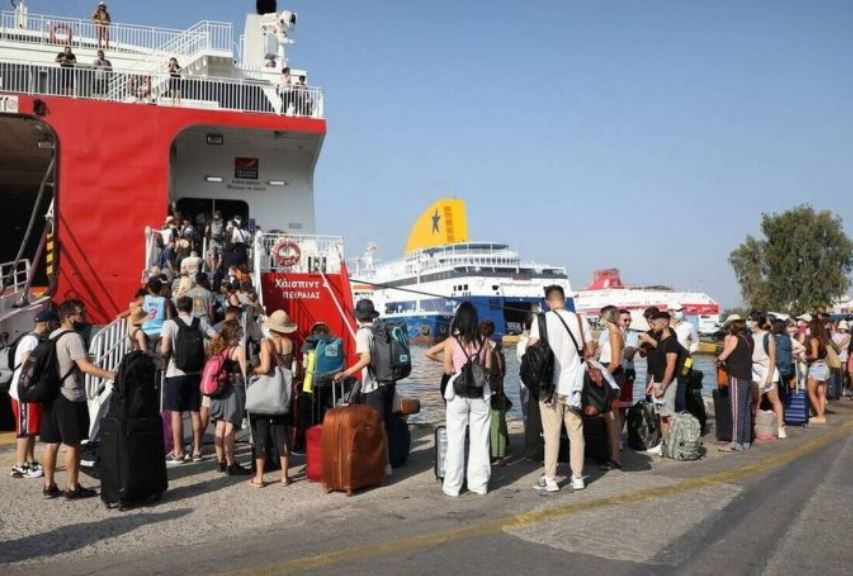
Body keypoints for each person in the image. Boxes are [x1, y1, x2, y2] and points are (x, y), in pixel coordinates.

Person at [42, 300, 116, 499]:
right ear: (69, 316)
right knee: (72, 443)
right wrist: (111, 375)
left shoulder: (53, 335)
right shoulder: (73, 337)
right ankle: (72, 487)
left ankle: (49, 486)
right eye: (81, 313)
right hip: (70, 395)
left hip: (52, 395)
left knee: (52, 443)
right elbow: (84, 367)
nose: (84, 316)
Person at [527, 285, 592, 493]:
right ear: (564, 299)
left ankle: (550, 478)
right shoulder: (580, 320)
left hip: (550, 387)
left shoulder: (541, 320)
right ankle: (578, 477)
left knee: (551, 433)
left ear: (548, 301)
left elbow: (531, 349)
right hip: (575, 387)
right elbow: (590, 350)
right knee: (576, 432)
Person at [425, 302, 492, 496]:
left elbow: (447, 369)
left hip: (458, 393)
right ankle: (479, 484)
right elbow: (488, 369)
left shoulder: (451, 342)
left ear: (459, 320)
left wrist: (456, 367)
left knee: (456, 439)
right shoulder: (484, 341)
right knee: (480, 440)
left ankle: (453, 486)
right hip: (479, 393)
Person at [335, 299, 395, 478]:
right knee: (383, 425)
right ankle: (387, 463)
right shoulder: (381, 329)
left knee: (373, 427)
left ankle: (377, 466)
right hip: (388, 382)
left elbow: (366, 359)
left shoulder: (363, 333)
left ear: (359, 317)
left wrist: (346, 373)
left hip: (373, 386)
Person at [160, 296, 218, 464]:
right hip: (196, 373)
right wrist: (207, 355)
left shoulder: (169, 324)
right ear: (191, 307)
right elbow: (216, 337)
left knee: (176, 413)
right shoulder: (199, 322)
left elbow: (165, 349)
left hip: (175, 373)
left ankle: (178, 452)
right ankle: (197, 450)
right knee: (195, 412)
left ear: (177, 308)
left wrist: (163, 357)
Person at [249, 310, 298, 487]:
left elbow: (265, 368)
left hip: (267, 393)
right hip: (283, 392)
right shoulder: (291, 343)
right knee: (282, 432)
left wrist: (253, 370)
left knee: (261, 432)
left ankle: (260, 477)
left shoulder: (267, 342)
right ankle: (284, 476)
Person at [9, 309, 59, 479]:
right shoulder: (31, 340)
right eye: (54, 322)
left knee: (30, 429)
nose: (55, 326)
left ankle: (29, 461)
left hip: (28, 392)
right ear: (48, 323)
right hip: (24, 392)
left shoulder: (35, 339)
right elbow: (28, 365)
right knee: (24, 429)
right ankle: (19, 465)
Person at [208, 321, 250, 476]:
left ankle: (221, 462)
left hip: (219, 389)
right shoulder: (238, 350)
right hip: (233, 387)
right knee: (230, 426)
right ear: (236, 333)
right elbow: (245, 373)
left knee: (220, 425)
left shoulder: (218, 347)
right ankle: (232, 464)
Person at [645, 311, 682, 455]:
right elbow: (658, 364)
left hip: (667, 383)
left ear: (664, 323)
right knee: (662, 414)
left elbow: (670, 366)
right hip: (658, 382)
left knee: (669, 415)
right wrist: (653, 382)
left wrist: (663, 387)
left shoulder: (671, 342)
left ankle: (674, 445)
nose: (652, 326)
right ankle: (664, 444)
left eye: (654, 323)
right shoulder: (661, 341)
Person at [716, 315, 753, 452]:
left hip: (736, 376)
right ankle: (746, 440)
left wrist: (718, 359)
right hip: (747, 375)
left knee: (737, 409)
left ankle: (736, 442)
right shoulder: (749, 339)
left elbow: (723, 356)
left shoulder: (734, 339)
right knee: (745, 409)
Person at [595, 305, 624, 469]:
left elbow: (615, 362)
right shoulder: (614, 333)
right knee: (612, 415)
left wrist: (603, 376)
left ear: (606, 317)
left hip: (611, 374)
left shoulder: (615, 334)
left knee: (611, 416)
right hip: (610, 372)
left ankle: (614, 456)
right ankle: (613, 453)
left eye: (601, 317)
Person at [751, 314, 786, 439]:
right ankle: (754, 426)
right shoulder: (751, 336)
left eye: (751, 320)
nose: (749, 322)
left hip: (767, 368)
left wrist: (770, 375)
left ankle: (780, 426)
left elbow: (772, 358)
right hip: (754, 369)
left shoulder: (768, 336)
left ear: (756, 322)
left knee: (773, 398)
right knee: (756, 399)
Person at [805, 318, 831, 424]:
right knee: (821, 393)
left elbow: (814, 355)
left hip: (816, 367)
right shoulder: (823, 339)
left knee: (811, 391)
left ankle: (820, 416)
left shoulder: (814, 340)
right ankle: (821, 415)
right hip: (824, 366)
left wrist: (806, 357)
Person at [617, 309, 639, 433]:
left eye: (629, 320)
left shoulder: (632, 335)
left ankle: (619, 436)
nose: (628, 322)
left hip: (627, 372)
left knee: (622, 407)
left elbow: (629, 354)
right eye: (625, 320)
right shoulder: (606, 333)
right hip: (611, 371)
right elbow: (599, 352)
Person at [141, 277, 170, 350]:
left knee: (147, 353)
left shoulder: (144, 298)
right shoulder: (165, 301)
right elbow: (169, 319)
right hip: (160, 332)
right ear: (161, 289)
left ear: (149, 288)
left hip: (146, 332)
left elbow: (134, 308)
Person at [515, 315, 533, 423]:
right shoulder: (540, 342)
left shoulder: (520, 344)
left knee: (526, 412)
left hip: (524, 381)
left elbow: (520, 360)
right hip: (538, 382)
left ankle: (527, 429)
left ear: (523, 326)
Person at [831, 320, 850, 397]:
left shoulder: (848, 336)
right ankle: (840, 389)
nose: (842, 329)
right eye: (842, 328)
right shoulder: (836, 336)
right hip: (839, 357)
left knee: (843, 374)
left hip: (843, 357)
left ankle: (842, 389)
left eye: (843, 328)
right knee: (840, 374)